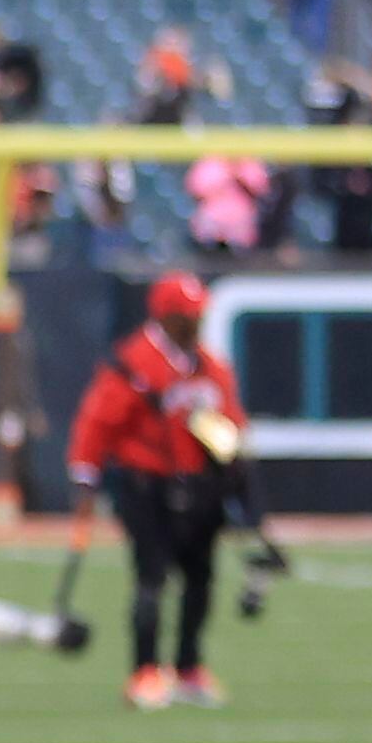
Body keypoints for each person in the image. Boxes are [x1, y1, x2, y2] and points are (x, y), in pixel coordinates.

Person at [65, 268, 246, 710]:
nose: (197, 323)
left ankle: (188, 667)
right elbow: (98, 420)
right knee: (152, 577)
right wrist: (86, 472)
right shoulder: (132, 362)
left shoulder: (208, 365)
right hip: (147, 486)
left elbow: (232, 422)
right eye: (188, 316)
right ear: (166, 317)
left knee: (200, 578)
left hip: (201, 485)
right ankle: (145, 670)